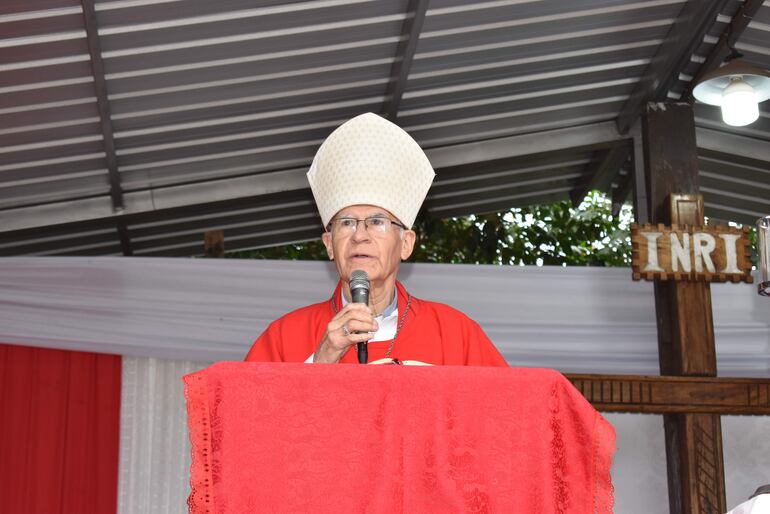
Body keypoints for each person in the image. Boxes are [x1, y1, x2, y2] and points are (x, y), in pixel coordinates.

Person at [245, 113, 507, 366]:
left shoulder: (454, 334)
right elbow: (240, 409)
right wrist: (321, 360)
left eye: (377, 222)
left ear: (406, 244)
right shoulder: (284, 336)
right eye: (346, 223)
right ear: (329, 244)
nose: (360, 235)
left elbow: (513, 406)